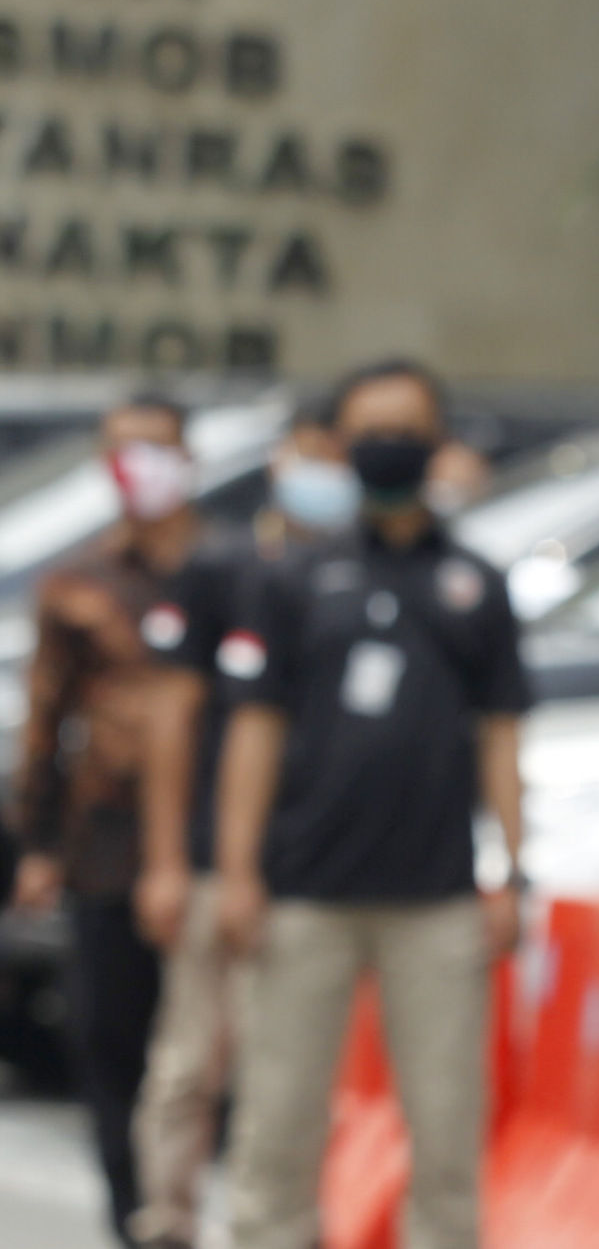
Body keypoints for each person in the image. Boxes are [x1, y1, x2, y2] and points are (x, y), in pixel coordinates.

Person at [213, 360, 529, 1249]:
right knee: (277, 1121)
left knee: (445, 1130)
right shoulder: (292, 577)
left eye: (406, 427)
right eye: (371, 428)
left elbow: (503, 732)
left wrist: (511, 865)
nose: (389, 443)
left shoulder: (475, 583)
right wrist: (238, 871)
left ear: (437, 442)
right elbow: (254, 730)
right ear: (343, 445)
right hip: (305, 891)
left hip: (435, 899)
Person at [127, 402, 360, 1249]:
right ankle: (168, 1220)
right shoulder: (222, 566)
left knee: (290, 1070)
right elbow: (172, 718)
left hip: (308, 867)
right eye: (312, 455)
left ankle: (278, 1226)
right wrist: (167, 859)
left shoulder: (359, 573)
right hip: (209, 860)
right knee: (191, 1058)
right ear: (281, 458)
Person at [8, 393, 209, 1248]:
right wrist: (41, 844)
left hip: (210, 843)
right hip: (107, 845)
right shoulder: (80, 583)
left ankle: (183, 1202)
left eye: (155, 450)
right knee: (108, 1036)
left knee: (197, 1052)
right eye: (123, 452)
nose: (140, 469)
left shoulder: (229, 571)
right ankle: (133, 1214)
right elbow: (47, 722)